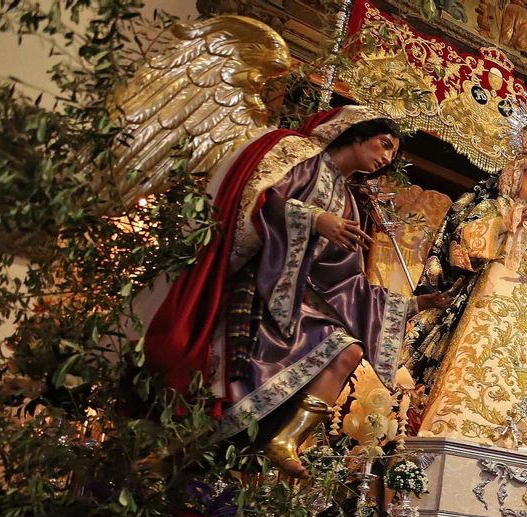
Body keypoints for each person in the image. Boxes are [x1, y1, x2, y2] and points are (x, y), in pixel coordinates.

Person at [141, 105, 447, 477]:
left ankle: (286, 439)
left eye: (392, 155)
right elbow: (257, 200)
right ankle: (171, 453)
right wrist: (315, 218)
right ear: (356, 133)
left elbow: (344, 281)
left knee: (346, 350)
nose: (385, 158)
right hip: (256, 293)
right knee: (228, 391)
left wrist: (413, 303)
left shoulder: (347, 201)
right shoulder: (302, 159)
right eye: (384, 145)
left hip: (292, 309)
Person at [402, 91, 527, 459]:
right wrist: (503, 225)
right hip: (490, 295)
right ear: (516, 174)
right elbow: (458, 246)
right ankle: (462, 427)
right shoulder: (493, 205)